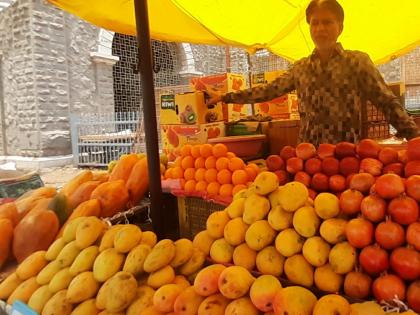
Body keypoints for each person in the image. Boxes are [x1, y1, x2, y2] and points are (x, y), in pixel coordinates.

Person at [206, 0, 419, 146]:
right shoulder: (301, 68)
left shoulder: (357, 62)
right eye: (314, 23)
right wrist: (224, 97)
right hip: (308, 156)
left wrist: (414, 136)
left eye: (327, 22)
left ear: (340, 27)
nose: (320, 28)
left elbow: (386, 101)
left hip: (346, 157)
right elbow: (268, 91)